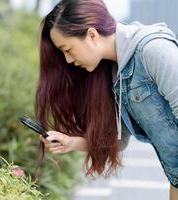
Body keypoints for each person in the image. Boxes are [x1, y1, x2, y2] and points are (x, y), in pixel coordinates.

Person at [34, 0, 178, 199]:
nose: (67, 60)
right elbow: (118, 141)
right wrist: (71, 142)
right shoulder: (113, 72)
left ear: (92, 35)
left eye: (67, 49)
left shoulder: (153, 50)